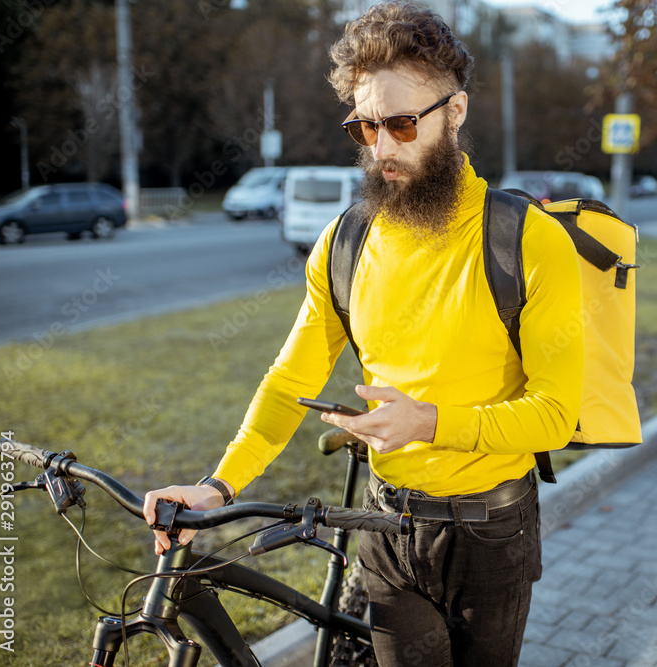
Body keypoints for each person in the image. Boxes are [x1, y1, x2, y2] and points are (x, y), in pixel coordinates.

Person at [143, 2, 583, 664]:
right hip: (385, 524)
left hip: (492, 531)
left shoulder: (529, 241)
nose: (381, 149)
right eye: (365, 126)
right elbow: (290, 379)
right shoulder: (345, 241)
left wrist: (431, 421)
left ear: (455, 113)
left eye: (403, 124)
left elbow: (555, 415)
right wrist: (217, 486)